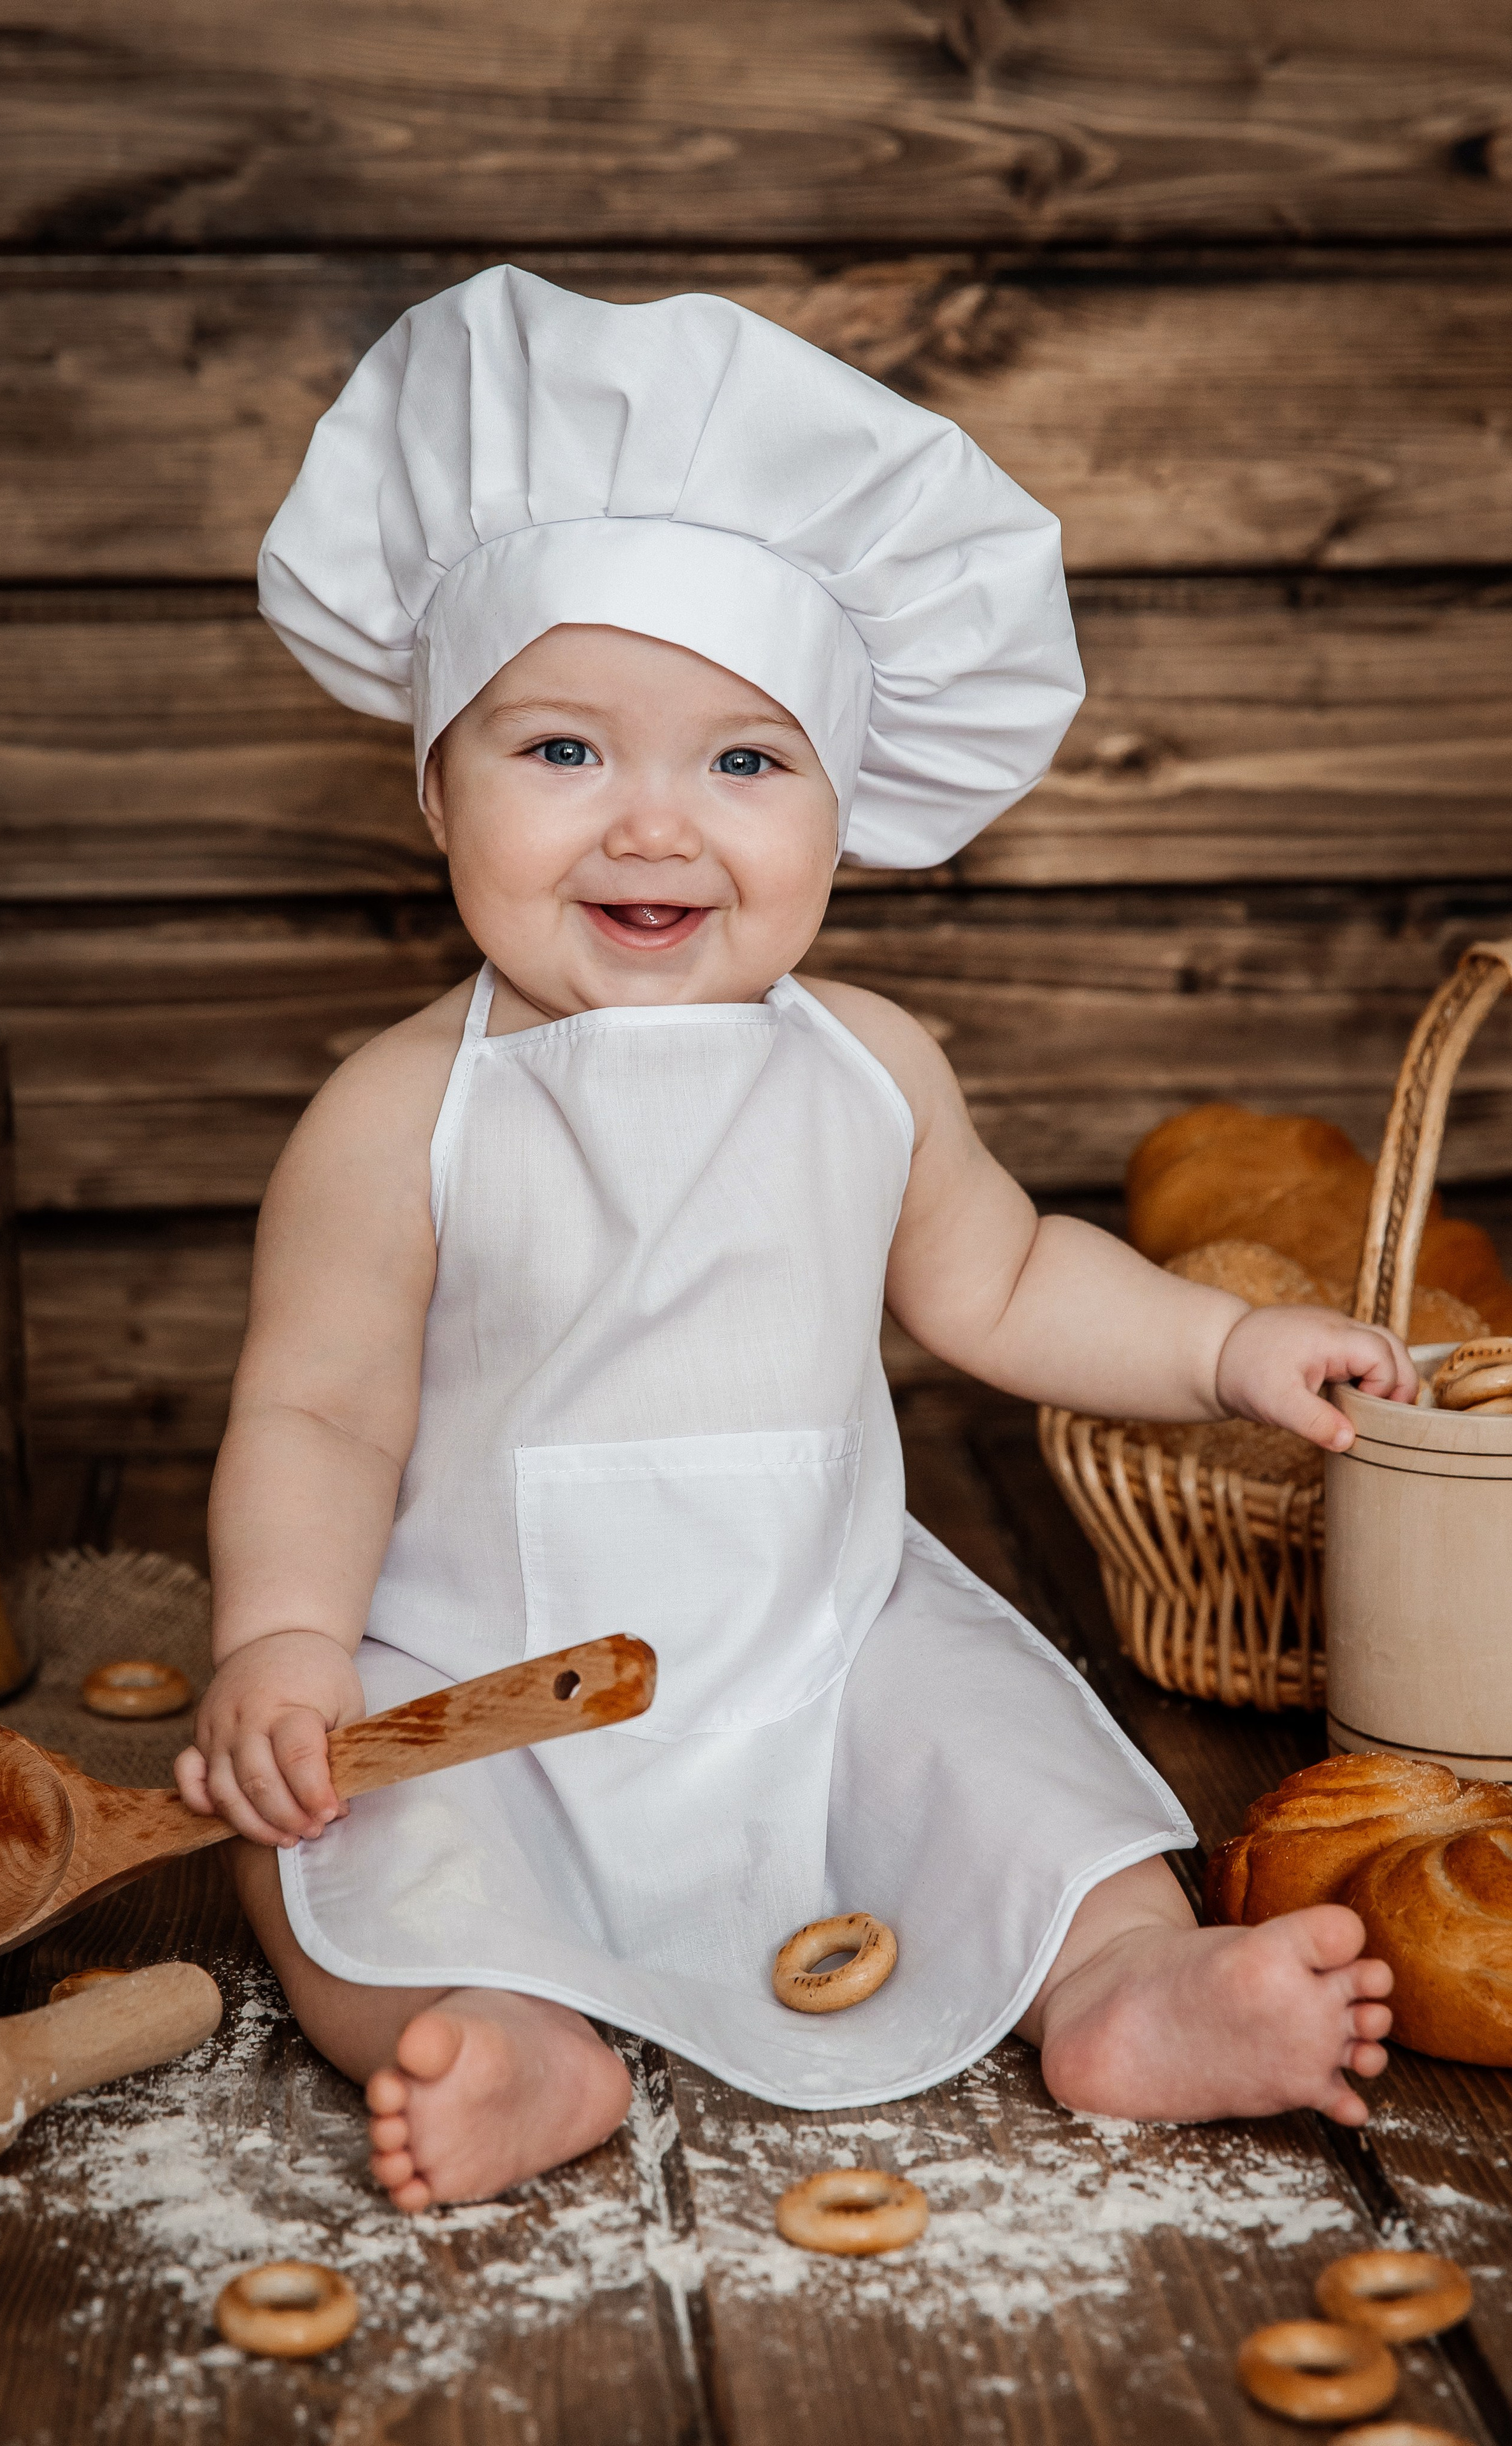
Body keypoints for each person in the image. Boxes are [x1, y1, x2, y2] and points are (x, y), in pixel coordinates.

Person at [175, 267, 1405, 2212]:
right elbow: (319, 1412)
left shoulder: (869, 1070)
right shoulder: (401, 1108)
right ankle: (505, 2038)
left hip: (817, 1634)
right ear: (436, 785)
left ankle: (1121, 1981)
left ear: (847, 810)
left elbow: (1002, 1280)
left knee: (1018, 1760)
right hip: (496, 1666)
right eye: (564, 751)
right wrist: (284, 1644)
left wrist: (1221, 1352)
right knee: (324, 1840)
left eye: (746, 762)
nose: (654, 826)